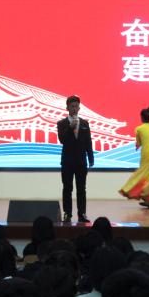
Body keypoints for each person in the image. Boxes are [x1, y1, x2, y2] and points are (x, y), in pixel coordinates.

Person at [57, 94, 94, 224]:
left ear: (79, 108)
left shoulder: (84, 123)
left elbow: (88, 142)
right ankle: (67, 214)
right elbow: (62, 140)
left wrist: (91, 158)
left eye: (76, 106)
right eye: (72, 106)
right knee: (67, 188)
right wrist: (70, 127)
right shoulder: (62, 123)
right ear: (67, 108)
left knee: (81, 189)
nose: (74, 108)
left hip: (81, 161)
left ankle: (82, 214)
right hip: (67, 162)